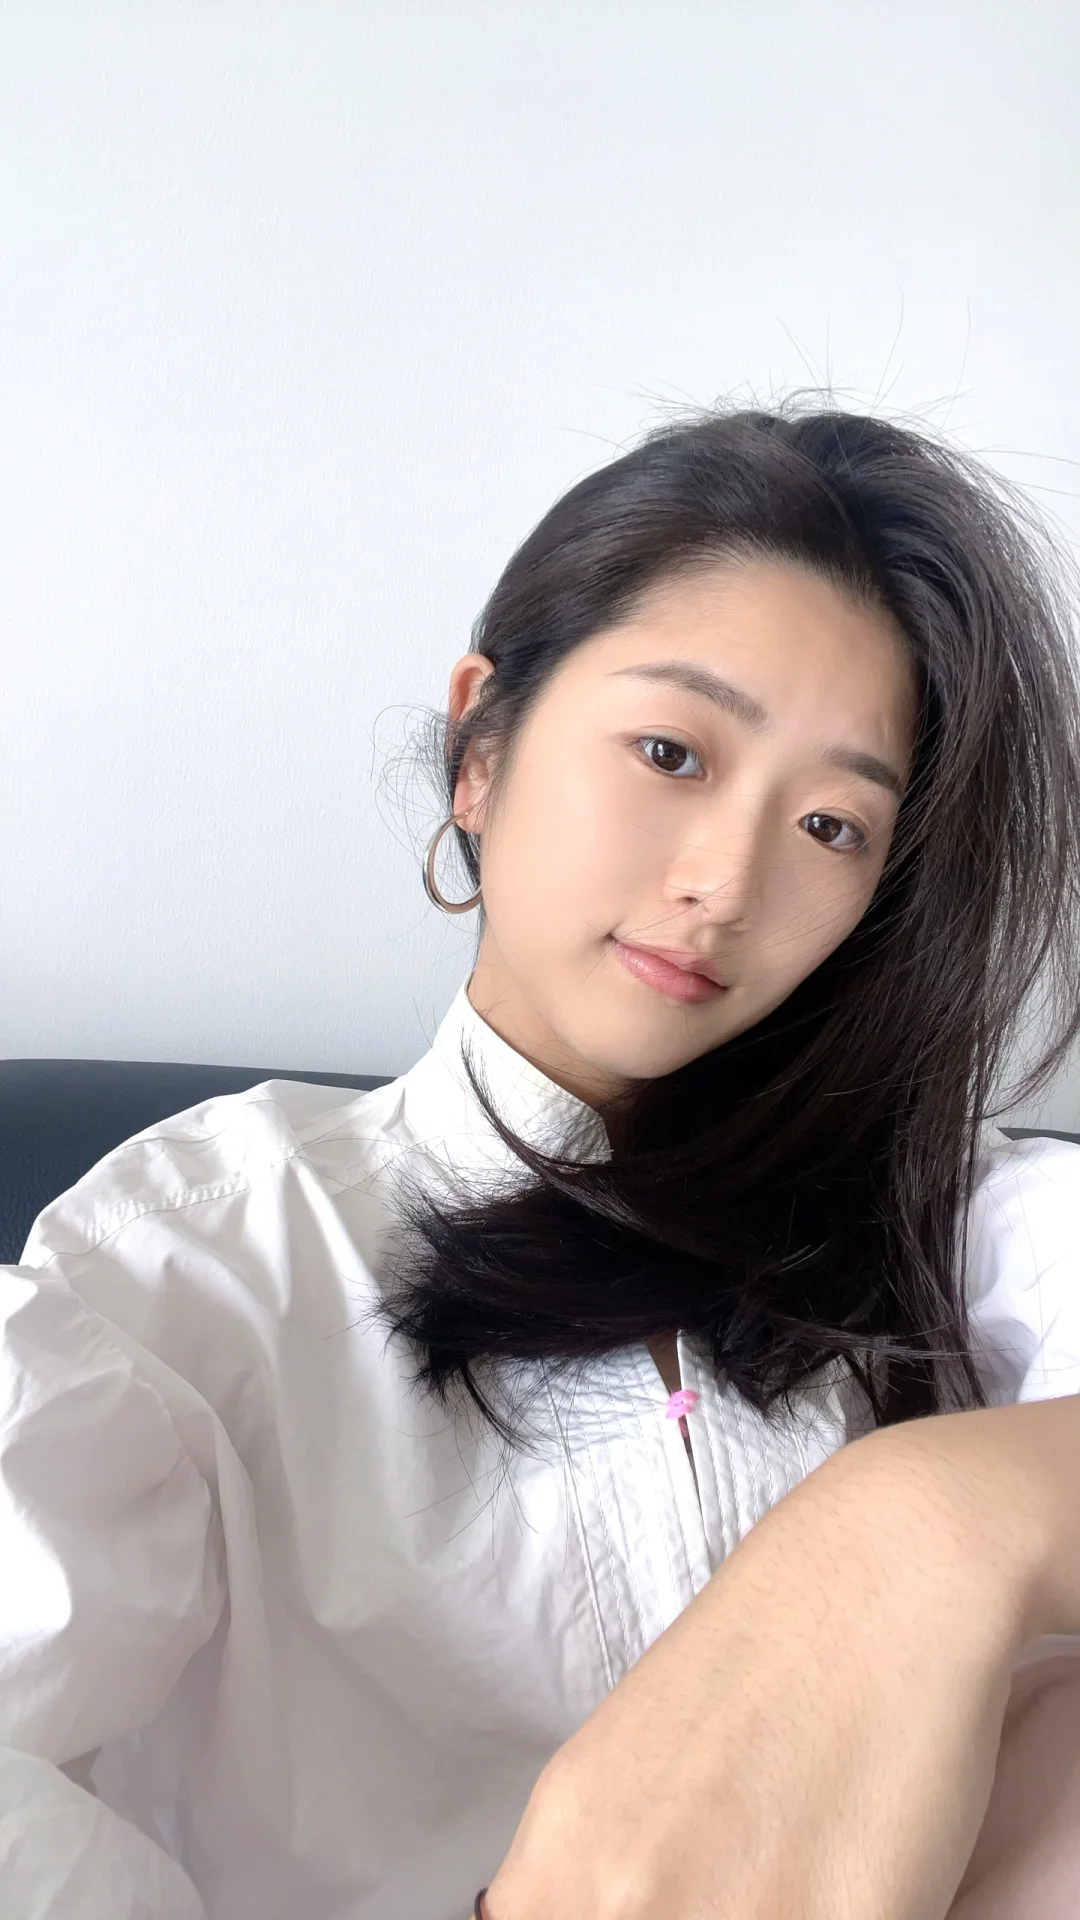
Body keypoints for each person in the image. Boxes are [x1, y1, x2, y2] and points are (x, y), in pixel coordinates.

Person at [2, 397, 1080, 1920]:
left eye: (834, 826)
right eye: (671, 751)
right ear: (482, 748)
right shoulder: (206, 1257)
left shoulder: (960, 1221)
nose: (725, 882)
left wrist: (930, 1524)